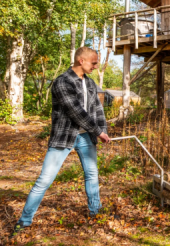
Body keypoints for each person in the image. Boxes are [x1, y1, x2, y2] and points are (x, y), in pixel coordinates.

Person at [13, 47, 111, 234]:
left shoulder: (90, 83)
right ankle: (24, 221)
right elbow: (75, 111)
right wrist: (98, 131)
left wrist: (102, 130)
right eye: (94, 62)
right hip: (64, 137)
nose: (96, 66)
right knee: (44, 180)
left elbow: (98, 109)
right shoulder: (62, 82)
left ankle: (95, 212)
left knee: (92, 175)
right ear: (81, 61)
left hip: (85, 137)